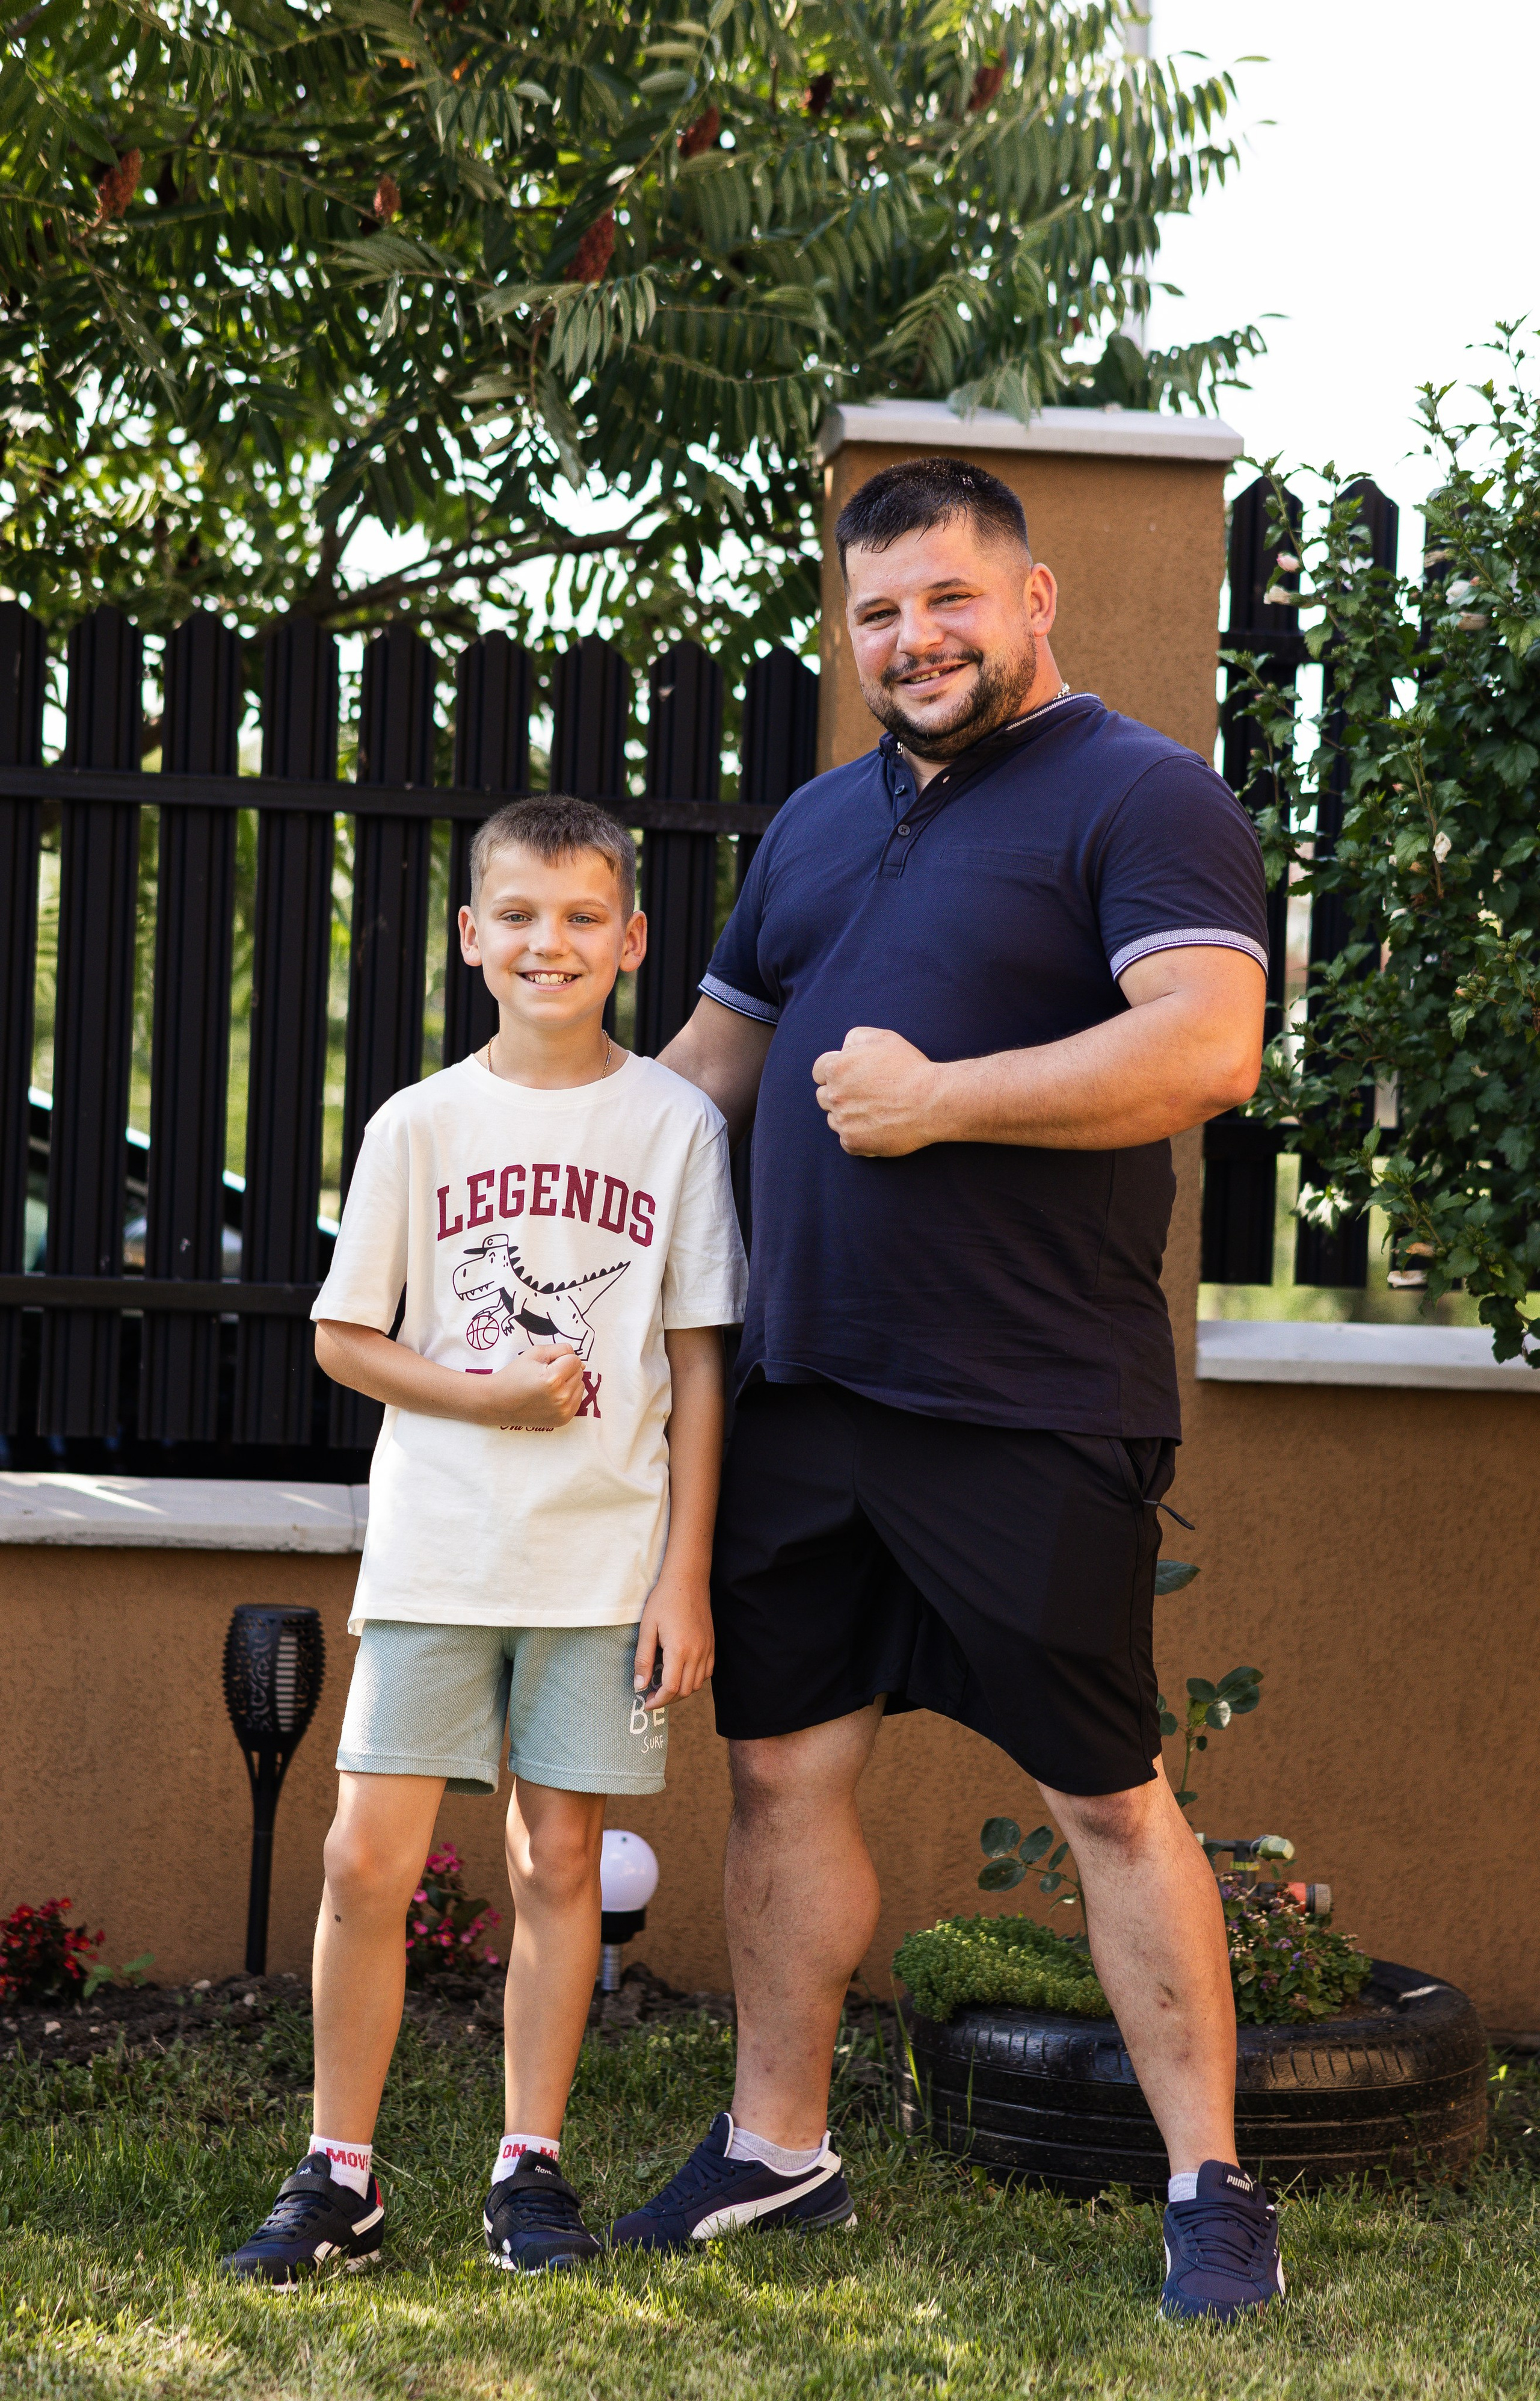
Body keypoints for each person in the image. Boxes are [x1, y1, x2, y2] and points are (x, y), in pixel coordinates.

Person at [611, 457, 1283, 2321]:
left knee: (1108, 1790)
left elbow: (1206, 1042)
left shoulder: (1145, 795)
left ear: (1035, 595)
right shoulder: (820, 824)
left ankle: (1212, 2184)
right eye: (878, 613)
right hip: (803, 1380)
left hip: (1024, 1385)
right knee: (778, 1769)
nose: (912, 640)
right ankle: (778, 2145)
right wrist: (525, 1168)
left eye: (948, 602)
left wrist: (946, 1098)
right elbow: (704, 1073)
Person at [222, 796, 746, 2287]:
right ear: (470, 937)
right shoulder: (422, 1122)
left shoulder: (673, 1125)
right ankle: (339, 2172)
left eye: (583, 917)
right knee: (365, 1859)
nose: (549, 943)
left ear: (632, 940)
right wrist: (489, 1396)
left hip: (602, 1566)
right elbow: (340, 1338)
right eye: (518, 915)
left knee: (559, 1861)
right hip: (442, 1553)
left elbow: (699, 1365)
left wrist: (684, 1572)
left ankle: (530, 2163)